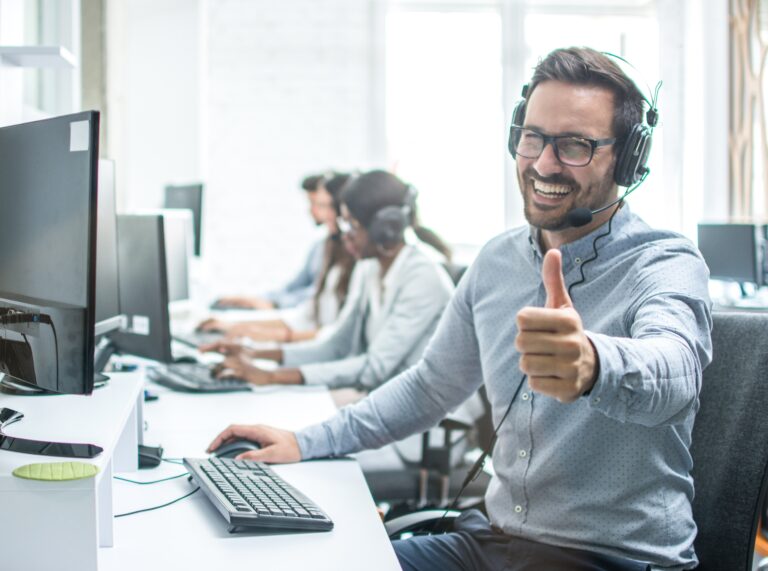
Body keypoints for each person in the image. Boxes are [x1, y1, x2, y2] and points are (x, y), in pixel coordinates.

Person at [206, 47, 713, 570]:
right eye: (533, 137)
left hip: (612, 559)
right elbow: (430, 386)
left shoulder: (665, 261)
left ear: (628, 159)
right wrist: (304, 441)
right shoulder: (497, 260)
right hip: (493, 544)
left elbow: (674, 372)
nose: (542, 163)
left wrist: (592, 364)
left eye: (575, 146)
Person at [201, 170, 455, 398]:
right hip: (383, 400)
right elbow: (337, 345)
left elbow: (374, 368)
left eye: (351, 224)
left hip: (422, 422)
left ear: (384, 230)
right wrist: (254, 354)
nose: (344, 234)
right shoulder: (370, 267)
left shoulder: (422, 277)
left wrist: (271, 376)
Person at [199, 173, 357, 342]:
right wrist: (234, 325)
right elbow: (303, 314)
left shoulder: (357, 265)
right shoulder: (328, 248)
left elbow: (334, 336)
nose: (321, 214)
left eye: (326, 206)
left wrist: (259, 332)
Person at [212, 173, 332, 310]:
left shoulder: (347, 251)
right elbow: (293, 287)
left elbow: (320, 295)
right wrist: (254, 299)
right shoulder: (319, 247)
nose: (311, 210)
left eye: (317, 204)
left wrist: (275, 304)